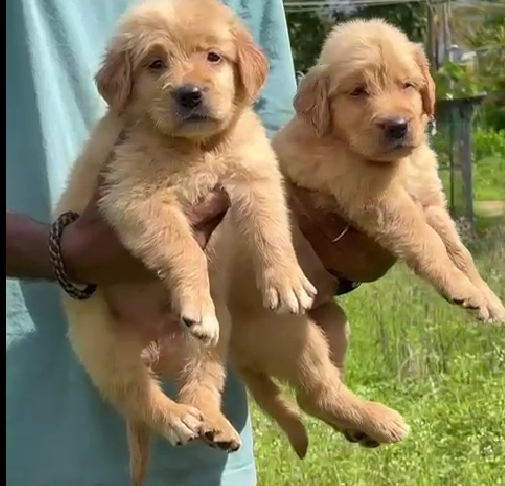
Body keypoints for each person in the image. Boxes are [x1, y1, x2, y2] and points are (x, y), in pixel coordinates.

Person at [6, 1, 394, 485]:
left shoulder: (239, 73)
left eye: (212, 58)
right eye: (156, 64)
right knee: (118, 344)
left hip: (205, 455)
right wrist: (63, 255)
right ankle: (156, 410)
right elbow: (136, 203)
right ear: (122, 84)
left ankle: (302, 397)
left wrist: (329, 250)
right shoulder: (135, 137)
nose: (188, 83)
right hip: (30, 408)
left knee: (215, 338)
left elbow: (272, 179)